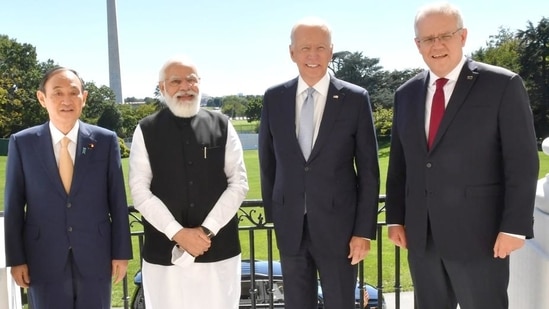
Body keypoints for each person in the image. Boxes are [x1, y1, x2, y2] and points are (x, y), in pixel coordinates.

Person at [385, 2, 539, 309]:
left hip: (481, 236)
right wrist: (395, 219)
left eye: (446, 35)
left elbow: (521, 161)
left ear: (463, 36)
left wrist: (514, 226)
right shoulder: (406, 94)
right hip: (423, 237)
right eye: (428, 39)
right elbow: (400, 164)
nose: (437, 45)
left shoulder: (502, 85)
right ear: (418, 45)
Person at [259, 17, 380, 309]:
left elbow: (369, 172)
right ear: (292, 53)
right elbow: (268, 163)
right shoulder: (274, 98)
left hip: (340, 232)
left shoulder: (354, 99)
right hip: (291, 231)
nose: (312, 55)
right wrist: (276, 215)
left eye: (320, 48)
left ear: (331, 51)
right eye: (305, 48)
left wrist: (363, 231)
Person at [3, 67, 133, 309]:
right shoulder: (23, 143)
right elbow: (13, 206)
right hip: (42, 259)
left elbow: (117, 200)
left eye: (73, 93)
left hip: (96, 256)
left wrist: (121, 252)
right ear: (42, 98)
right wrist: (16, 259)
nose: (66, 100)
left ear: (84, 98)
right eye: (57, 93)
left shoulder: (105, 141)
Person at [129, 55, 249, 309]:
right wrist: (178, 233)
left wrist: (206, 231)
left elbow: (238, 184)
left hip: (219, 249)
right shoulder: (146, 129)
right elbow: (140, 191)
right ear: (162, 87)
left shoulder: (223, 125)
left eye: (191, 80)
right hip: (163, 254)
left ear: (200, 84)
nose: (185, 87)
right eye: (176, 81)